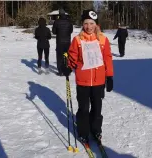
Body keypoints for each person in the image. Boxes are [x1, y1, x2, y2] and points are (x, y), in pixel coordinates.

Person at [61, 10, 114, 144]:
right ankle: (83, 132)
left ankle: (96, 130)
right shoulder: (77, 39)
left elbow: (107, 58)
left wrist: (109, 76)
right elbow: (72, 56)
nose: (89, 27)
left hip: (98, 81)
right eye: (86, 23)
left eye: (91, 23)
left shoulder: (103, 39)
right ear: (82, 24)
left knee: (97, 108)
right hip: (83, 81)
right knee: (83, 109)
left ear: (96, 24)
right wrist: (68, 66)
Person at [52, 8, 73, 76]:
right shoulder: (69, 21)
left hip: (60, 42)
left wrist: (58, 31)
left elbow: (54, 32)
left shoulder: (56, 22)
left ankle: (60, 71)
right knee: (66, 56)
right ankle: (67, 70)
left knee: (59, 57)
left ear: (59, 14)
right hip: (67, 42)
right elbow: (71, 31)